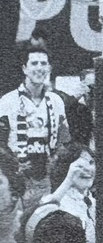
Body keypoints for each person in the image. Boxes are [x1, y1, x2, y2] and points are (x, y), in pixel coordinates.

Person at [0, 43, 69, 205]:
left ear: (49, 68)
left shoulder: (56, 101)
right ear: (24, 68)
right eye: (34, 63)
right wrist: (13, 169)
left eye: (43, 63)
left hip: (46, 178)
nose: (39, 68)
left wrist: (55, 162)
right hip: (16, 178)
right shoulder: (7, 101)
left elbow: (65, 140)